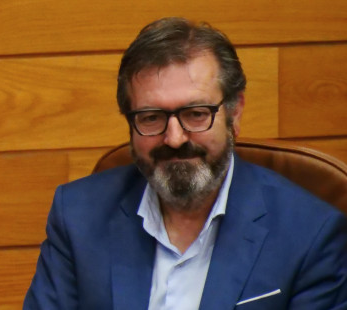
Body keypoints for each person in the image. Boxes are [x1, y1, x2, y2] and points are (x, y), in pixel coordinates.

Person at [24, 17, 347, 310]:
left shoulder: (309, 235)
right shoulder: (78, 216)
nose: (175, 138)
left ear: (234, 113)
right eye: (151, 118)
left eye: (195, 114)